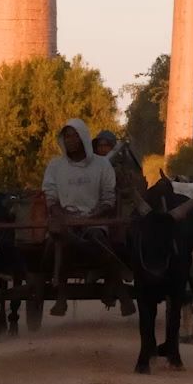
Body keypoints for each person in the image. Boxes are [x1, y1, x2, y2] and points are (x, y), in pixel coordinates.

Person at [41, 119, 120, 316]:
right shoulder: (55, 166)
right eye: (66, 136)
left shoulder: (102, 165)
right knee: (59, 242)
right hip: (65, 222)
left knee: (99, 240)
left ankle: (111, 283)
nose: (70, 140)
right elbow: (50, 197)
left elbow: (109, 198)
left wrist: (93, 215)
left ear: (84, 137)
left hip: (96, 222)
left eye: (74, 135)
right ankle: (61, 294)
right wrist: (62, 214)